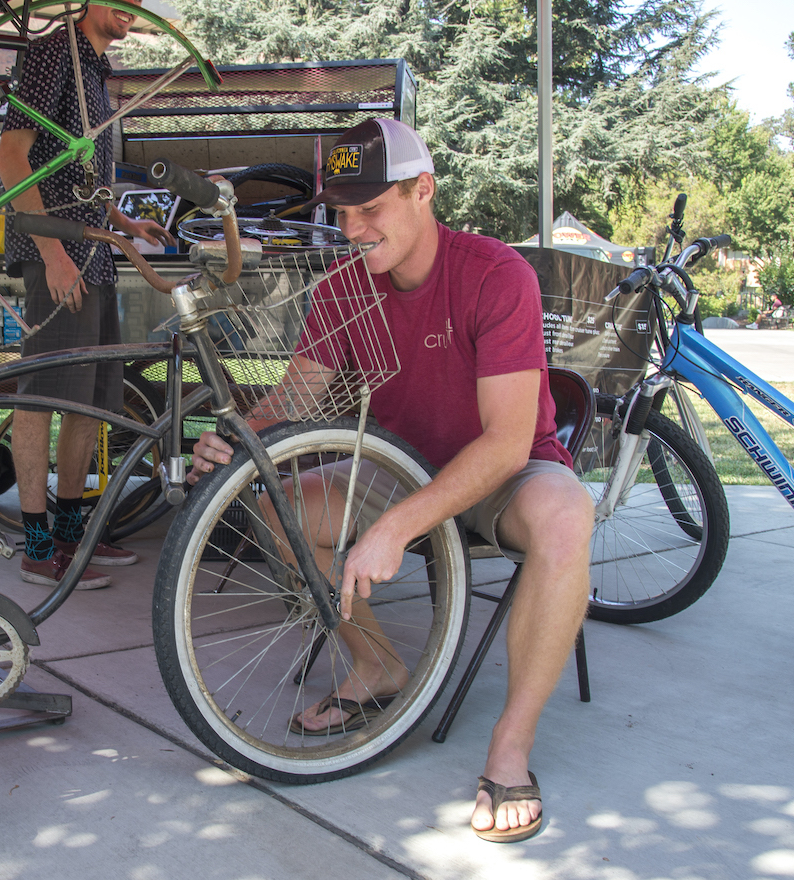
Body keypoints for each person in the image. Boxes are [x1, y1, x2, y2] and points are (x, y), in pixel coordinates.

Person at [188, 119, 593, 843]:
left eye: (370, 210)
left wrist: (397, 526)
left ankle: (511, 747)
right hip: (395, 466)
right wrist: (238, 441)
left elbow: (505, 443)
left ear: (423, 190)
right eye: (342, 213)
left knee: (566, 513)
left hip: (501, 474)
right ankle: (376, 663)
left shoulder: (496, 274)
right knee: (275, 504)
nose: (353, 229)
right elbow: (294, 402)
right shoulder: (347, 287)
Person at [0, 0, 176, 589]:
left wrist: (127, 226)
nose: (130, 5)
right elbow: (12, 157)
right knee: (44, 394)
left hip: (96, 248)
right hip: (58, 251)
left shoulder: (98, 72)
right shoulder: (52, 54)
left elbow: (84, 173)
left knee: (91, 401)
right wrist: (52, 254)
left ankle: (74, 535)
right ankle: (37, 546)